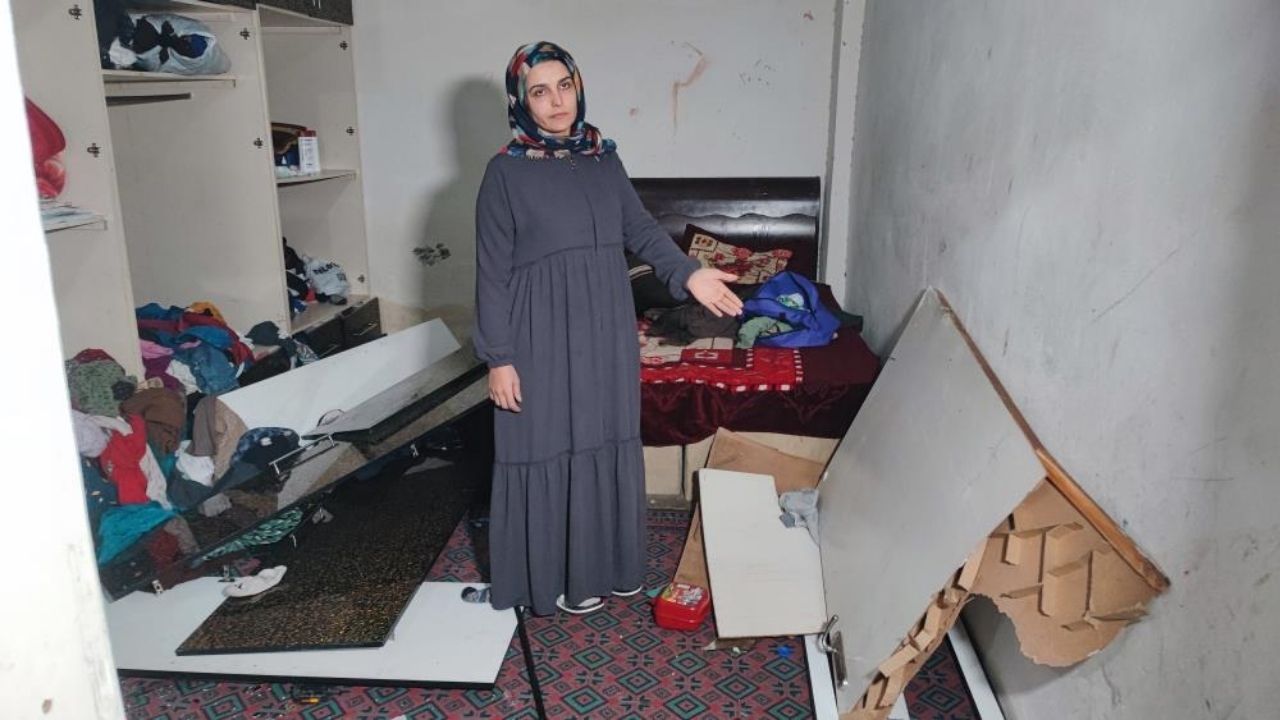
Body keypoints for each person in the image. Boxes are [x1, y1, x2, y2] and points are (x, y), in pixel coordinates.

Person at [474, 41, 742, 616]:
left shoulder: (603, 158)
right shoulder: (504, 172)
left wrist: (689, 273)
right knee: (545, 444)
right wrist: (499, 357)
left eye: (563, 86)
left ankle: (604, 567)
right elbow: (491, 274)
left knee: (601, 437)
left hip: (605, 327)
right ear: (521, 101)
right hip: (539, 333)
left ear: (578, 86)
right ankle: (547, 578)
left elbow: (640, 230)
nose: (556, 102)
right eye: (539, 91)